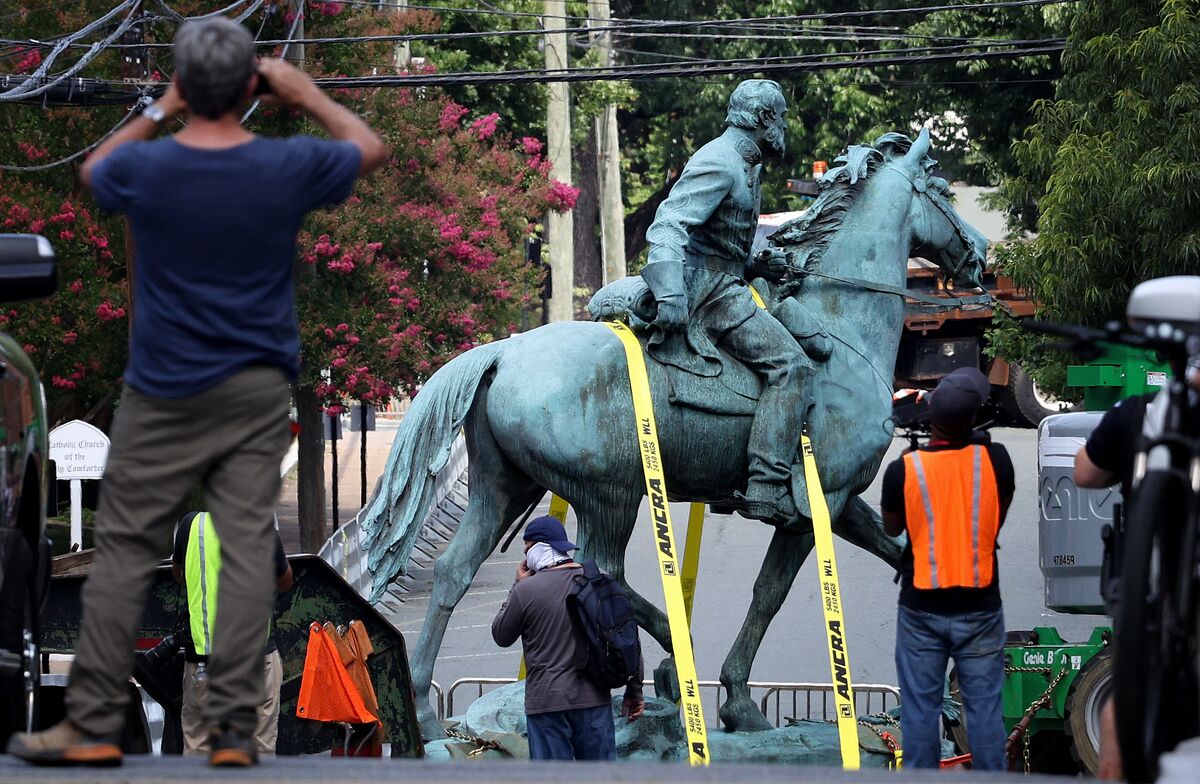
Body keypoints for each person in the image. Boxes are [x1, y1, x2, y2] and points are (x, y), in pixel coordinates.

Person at [7, 16, 387, 768]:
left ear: (186, 87)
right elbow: (370, 147)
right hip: (252, 389)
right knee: (248, 551)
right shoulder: (282, 169)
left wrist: (161, 107)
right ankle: (238, 737)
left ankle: (86, 727)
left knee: (122, 553)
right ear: (249, 86)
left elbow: (94, 172)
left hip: (162, 389)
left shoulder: (151, 172)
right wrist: (299, 90)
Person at [641, 79, 814, 526]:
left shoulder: (746, 164)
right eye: (780, 118)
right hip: (710, 295)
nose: (784, 128)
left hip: (725, 282)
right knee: (792, 367)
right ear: (762, 120)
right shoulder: (720, 161)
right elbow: (668, 226)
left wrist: (757, 265)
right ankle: (766, 487)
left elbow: (717, 242)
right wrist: (671, 292)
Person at [881, 367, 1015, 770]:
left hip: (921, 608)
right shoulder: (996, 459)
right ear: (974, 419)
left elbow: (892, 527)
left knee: (919, 712)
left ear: (930, 419)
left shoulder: (905, 469)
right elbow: (996, 517)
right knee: (985, 713)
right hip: (980, 606)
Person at [491, 516, 644, 760]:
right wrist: (634, 690)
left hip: (546, 704)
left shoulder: (526, 590)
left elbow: (501, 634)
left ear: (537, 549)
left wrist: (516, 584)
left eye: (526, 550)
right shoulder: (599, 580)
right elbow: (626, 637)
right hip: (594, 701)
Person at [172, 511, 293, 757]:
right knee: (259, 749)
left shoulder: (192, 526)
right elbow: (284, 580)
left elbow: (178, 574)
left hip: (204, 664)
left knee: (199, 748)